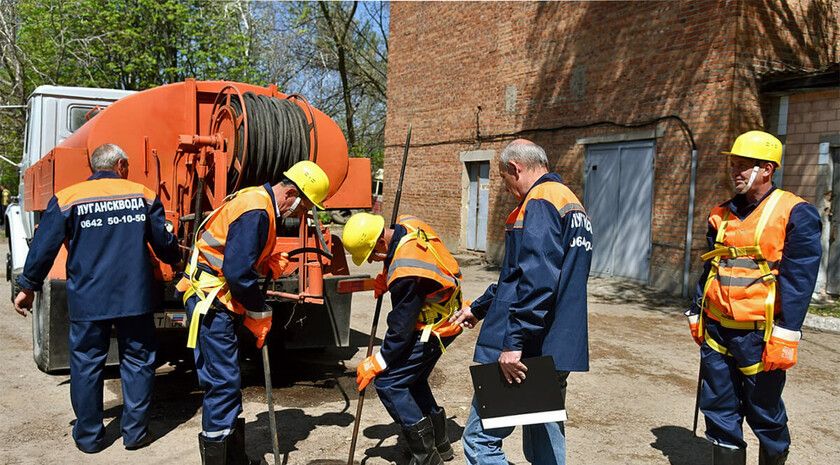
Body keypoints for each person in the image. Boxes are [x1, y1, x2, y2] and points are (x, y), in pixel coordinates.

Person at [13, 143, 180, 453]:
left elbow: (44, 245)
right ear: (120, 165)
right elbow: (163, 242)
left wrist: (28, 286)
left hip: (89, 299)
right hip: (134, 298)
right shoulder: (142, 194)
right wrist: (177, 257)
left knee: (87, 364)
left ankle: (89, 438)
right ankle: (134, 434)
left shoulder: (68, 198)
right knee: (138, 361)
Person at [176, 160, 330, 465]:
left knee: (225, 381)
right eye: (303, 208)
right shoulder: (257, 210)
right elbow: (236, 273)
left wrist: (265, 259)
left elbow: (234, 252)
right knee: (222, 383)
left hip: (213, 296)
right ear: (293, 195)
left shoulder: (256, 199)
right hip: (214, 300)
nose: (300, 214)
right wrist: (259, 312)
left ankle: (234, 458)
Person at [451, 139, 593, 465]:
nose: (509, 189)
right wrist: (479, 308)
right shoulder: (571, 203)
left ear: (516, 169)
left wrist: (514, 341)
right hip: (558, 347)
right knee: (544, 450)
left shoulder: (539, 202)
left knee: (479, 443)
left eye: (505, 180)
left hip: (529, 350)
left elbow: (537, 281)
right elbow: (516, 275)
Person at [686, 130, 820, 465]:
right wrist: (696, 310)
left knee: (764, 411)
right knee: (717, 408)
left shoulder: (795, 212)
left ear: (768, 169)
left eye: (745, 166)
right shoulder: (721, 213)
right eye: (734, 165)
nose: (736, 172)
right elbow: (711, 267)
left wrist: (786, 335)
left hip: (761, 334)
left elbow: (798, 279)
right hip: (717, 329)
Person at [342, 212, 464, 464]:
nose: (373, 261)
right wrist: (387, 273)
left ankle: (426, 456)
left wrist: (380, 360)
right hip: (447, 314)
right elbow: (407, 253)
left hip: (434, 327)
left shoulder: (406, 272)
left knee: (390, 383)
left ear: (381, 243)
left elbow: (400, 328)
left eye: (373, 256)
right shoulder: (408, 224)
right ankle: (440, 444)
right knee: (413, 379)